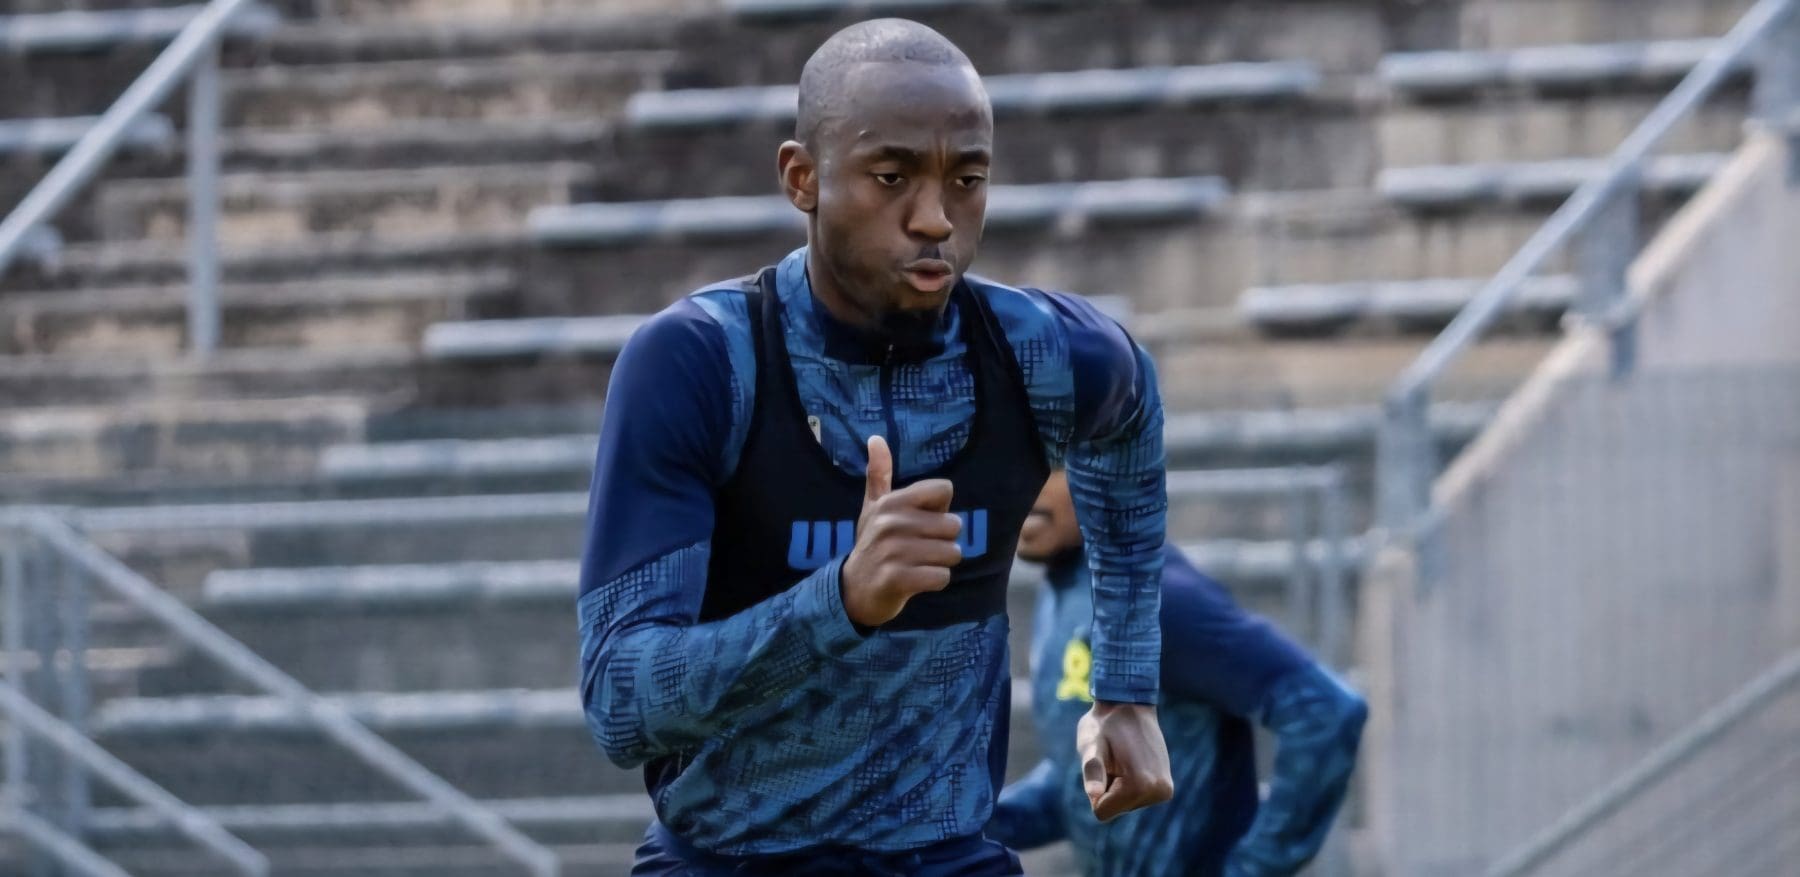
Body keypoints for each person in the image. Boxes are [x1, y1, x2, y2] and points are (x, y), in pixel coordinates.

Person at [576, 19, 1175, 876]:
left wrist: (1125, 685)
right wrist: (843, 601)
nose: (935, 218)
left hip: (946, 855)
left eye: (966, 179)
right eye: (891, 176)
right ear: (802, 177)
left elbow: (1131, 417)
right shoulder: (700, 362)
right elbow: (620, 703)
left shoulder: (1040, 353)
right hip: (728, 858)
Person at [990, 471, 1367, 876]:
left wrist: (1254, 868)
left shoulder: (1156, 600)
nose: (1028, 479)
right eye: (1018, 451)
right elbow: (1082, 775)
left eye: (1054, 458)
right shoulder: (1063, 593)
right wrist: (973, 827)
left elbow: (1325, 711)